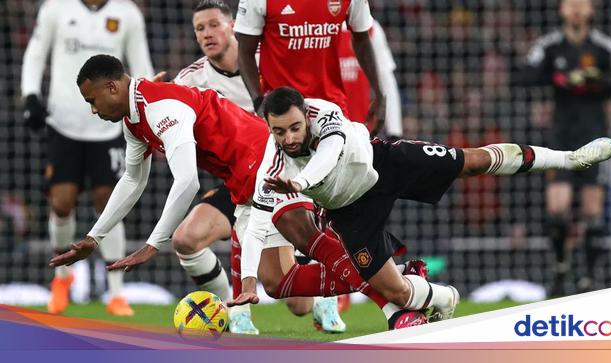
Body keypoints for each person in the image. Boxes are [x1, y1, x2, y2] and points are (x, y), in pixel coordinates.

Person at [49, 55, 425, 333]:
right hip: (240, 174)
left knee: (313, 244)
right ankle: (399, 280)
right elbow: (132, 180)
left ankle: (399, 301)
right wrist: (94, 237)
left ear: (112, 87)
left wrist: (152, 244)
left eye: (93, 100)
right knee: (282, 286)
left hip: (263, 161)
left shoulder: (160, 108)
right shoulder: (136, 119)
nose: (93, 110)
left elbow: (187, 184)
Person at [239, 86, 611, 328]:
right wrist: (249, 284)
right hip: (351, 213)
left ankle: (569, 159)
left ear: (304, 116)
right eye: (278, 131)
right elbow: (256, 226)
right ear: (268, 127)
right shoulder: (272, 167)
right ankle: (443, 297)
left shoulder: (323, 114)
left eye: (293, 128)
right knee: (398, 293)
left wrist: (302, 182)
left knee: (471, 162)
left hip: (384, 163)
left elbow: (331, 150)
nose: (288, 138)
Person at [171, 0, 343, 334]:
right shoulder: (190, 80)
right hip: (238, 182)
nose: (207, 34)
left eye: (214, 25)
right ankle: (227, 309)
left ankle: (326, 293)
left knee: (297, 305)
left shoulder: (269, 59)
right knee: (186, 239)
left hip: (285, 181)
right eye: (199, 29)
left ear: (233, 25)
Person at [21, 0, 156, 316]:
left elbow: (143, 67)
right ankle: (61, 278)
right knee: (60, 203)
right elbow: (36, 53)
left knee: (109, 202)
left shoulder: (127, 14)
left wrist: (151, 107)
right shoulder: (56, 8)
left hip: (109, 127)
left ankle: (117, 292)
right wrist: (30, 94)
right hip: (63, 123)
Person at [521, 0, 611, 295]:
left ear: (590, 11)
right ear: (560, 10)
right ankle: (561, 267)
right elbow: (525, 76)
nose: (575, 9)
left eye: (581, 4)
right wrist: (558, 79)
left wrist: (599, 81)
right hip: (560, 139)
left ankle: (588, 278)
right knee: (557, 208)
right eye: (570, 4)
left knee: (592, 212)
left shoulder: (604, 48)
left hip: (595, 140)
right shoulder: (549, 45)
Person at [234, 0, 386, 129]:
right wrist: (258, 101)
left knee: (339, 162)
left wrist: (379, 95)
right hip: (281, 110)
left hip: (332, 107)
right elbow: (244, 53)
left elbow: (362, 38)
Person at [338, 20, 402, 137]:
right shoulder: (320, 26)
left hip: (362, 131)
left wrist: (394, 131)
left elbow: (386, 81)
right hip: (327, 128)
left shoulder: (371, 27)